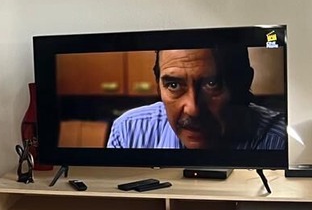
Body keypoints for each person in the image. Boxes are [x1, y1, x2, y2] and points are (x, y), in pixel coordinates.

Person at [107, 47, 286, 150]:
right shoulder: (128, 131)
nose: (192, 109)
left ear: (243, 82)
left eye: (212, 84)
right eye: (174, 85)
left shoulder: (280, 142)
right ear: (158, 86)